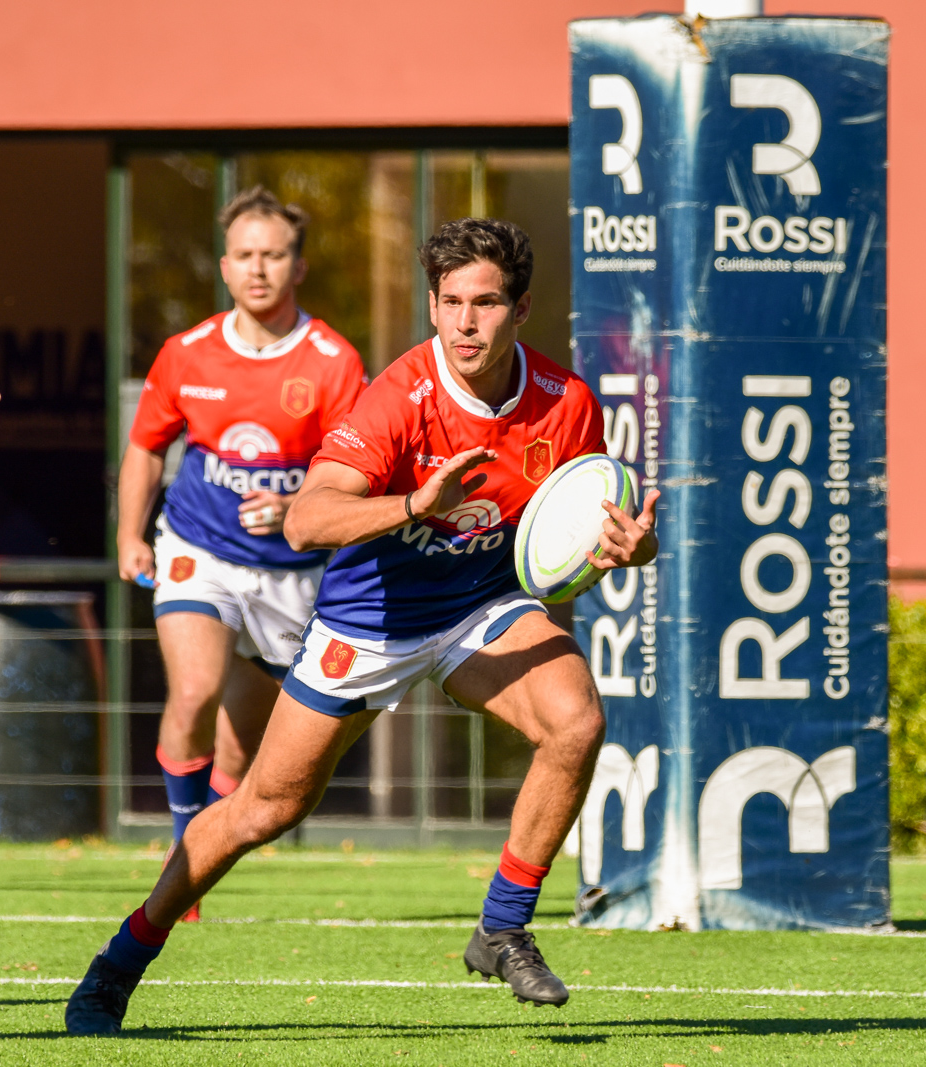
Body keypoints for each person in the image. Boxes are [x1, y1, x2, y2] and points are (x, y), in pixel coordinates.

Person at [65, 217, 659, 1035]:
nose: (464, 322)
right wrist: (418, 503)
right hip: (368, 620)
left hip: (478, 607)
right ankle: (121, 959)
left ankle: (503, 925)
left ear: (520, 311)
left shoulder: (567, 403)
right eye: (449, 302)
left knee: (576, 720)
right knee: (262, 810)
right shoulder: (400, 396)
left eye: (485, 303)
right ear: (431, 303)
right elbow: (307, 522)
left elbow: (584, 533)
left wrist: (630, 544)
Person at [117, 186, 366, 915]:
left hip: (291, 574)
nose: (259, 269)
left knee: (239, 750)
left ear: (300, 267)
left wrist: (298, 506)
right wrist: (130, 534)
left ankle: (211, 838)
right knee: (192, 690)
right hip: (200, 548)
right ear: (225, 267)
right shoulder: (186, 352)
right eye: (246, 255)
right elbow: (144, 449)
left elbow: (355, 472)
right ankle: (184, 845)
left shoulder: (332, 361)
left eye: (275, 255)